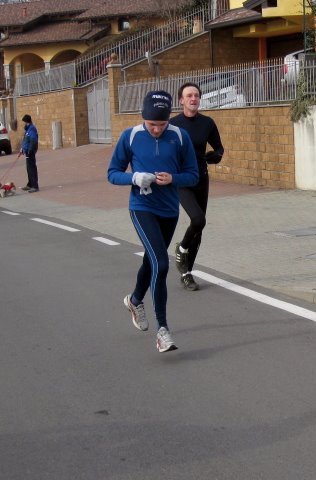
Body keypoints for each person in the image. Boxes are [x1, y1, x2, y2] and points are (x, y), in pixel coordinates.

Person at [107, 90, 198, 353]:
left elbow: (193, 174)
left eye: (161, 124)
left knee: (151, 261)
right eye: (151, 124)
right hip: (142, 207)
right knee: (161, 262)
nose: (156, 130)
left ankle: (135, 300)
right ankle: (163, 330)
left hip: (169, 210)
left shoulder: (180, 136)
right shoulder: (131, 136)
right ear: (142, 118)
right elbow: (112, 173)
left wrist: (173, 179)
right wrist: (134, 178)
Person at [169, 82, 224, 291]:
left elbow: (219, 148)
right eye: (189, 96)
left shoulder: (207, 123)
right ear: (181, 100)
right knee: (198, 219)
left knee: (198, 229)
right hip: (182, 180)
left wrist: (216, 156)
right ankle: (182, 247)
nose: (193, 99)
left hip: (201, 178)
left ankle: (187, 273)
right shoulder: (173, 125)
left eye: (196, 95)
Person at [19, 114, 39, 193]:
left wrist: (30, 150)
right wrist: (22, 149)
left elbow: (33, 140)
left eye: (24, 122)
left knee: (32, 169)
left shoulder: (32, 129)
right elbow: (26, 141)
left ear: (27, 122)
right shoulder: (28, 130)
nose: (23, 124)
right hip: (27, 152)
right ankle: (30, 184)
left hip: (30, 152)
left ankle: (35, 186)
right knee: (28, 169)